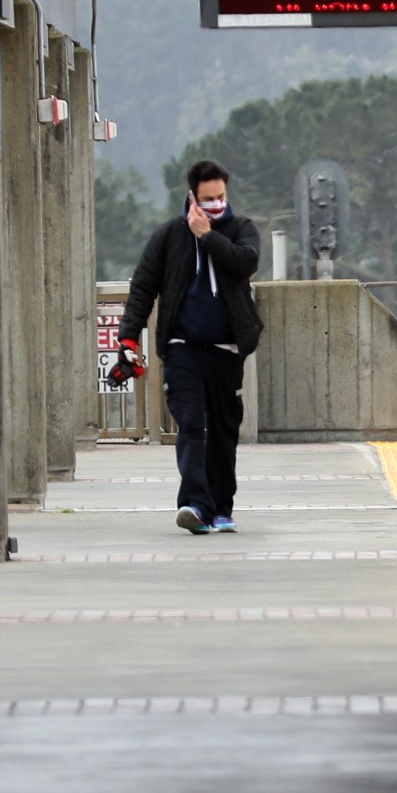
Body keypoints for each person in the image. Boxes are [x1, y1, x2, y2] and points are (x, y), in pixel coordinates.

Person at [120, 160, 263, 534]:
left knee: (223, 431)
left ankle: (221, 508)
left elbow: (245, 262)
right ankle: (195, 505)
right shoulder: (169, 236)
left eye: (220, 197)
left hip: (227, 349)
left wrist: (208, 236)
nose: (216, 204)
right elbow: (142, 288)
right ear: (192, 197)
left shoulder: (240, 228)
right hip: (183, 347)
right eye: (208, 199)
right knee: (191, 423)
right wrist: (128, 337)